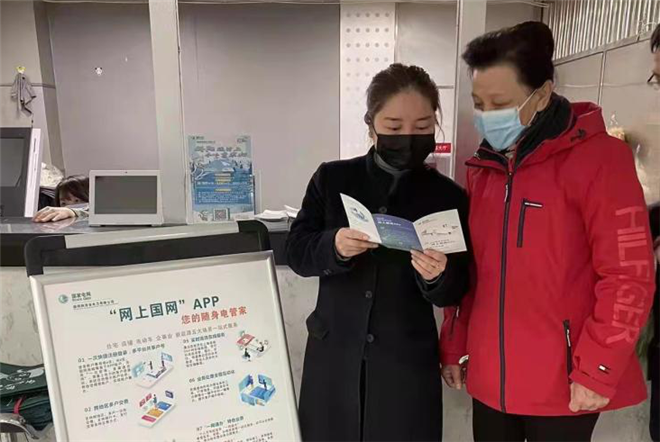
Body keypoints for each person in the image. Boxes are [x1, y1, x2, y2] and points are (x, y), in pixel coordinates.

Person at [440, 22, 656, 442]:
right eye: (479, 103)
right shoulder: (484, 168)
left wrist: (599, 368)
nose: (487, 115)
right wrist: (455, 342)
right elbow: (473, 272)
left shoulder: (600, 160)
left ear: (541, 94)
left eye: (500, 103)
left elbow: (628, 275)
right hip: (490, 376)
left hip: (564, 381)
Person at [286, 63, 470, 441]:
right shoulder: (333, 178)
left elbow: (458, 288)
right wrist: (334, 246)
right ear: (371, 126)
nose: (408, 137)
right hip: (334, 355)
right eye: (394, 127)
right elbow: (298, 252)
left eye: (422, 126)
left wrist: (438, 277)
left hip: (405, 364)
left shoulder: (448, 196)